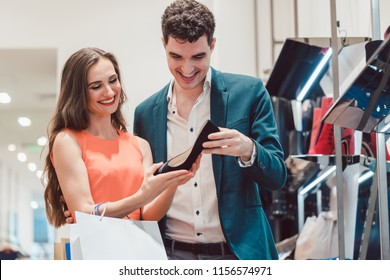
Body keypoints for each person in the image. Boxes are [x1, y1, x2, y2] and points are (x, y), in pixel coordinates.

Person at [133, 0, 287, 260]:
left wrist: (249, 149)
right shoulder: (146, 113)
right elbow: (140, 189)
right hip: (170, 255)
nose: (187, 68)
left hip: (237, 254)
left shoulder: (249, 93)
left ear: (212, 45)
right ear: (164, 45)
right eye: (176, 57)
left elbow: (277, 176)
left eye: (198, 56)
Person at [44, 47, 199, 228]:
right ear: (78, 93)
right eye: (96, 86)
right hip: (95, 251)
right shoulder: (67, 141)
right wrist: (141, 197)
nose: (109, 92)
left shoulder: (140, 145)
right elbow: (83, 213)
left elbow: (148, 215)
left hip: (136, 251)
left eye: (113, 80)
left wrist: (172, 183)